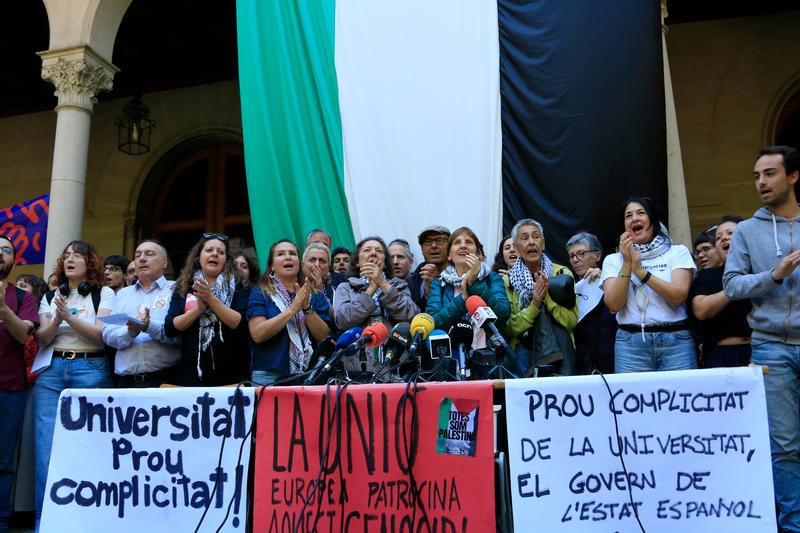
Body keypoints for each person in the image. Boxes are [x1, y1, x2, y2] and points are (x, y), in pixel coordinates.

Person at [723, 146, 800, 532]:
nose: (762, 183)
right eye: (757, 176)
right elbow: (733, 285)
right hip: (771, 345)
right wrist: (774, 273)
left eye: (770, 174)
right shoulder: (749, 231)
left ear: (793, 177)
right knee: (785, 447)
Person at [33, 240, 113, 528]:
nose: (70, 259)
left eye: (77, 255)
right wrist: (57, 318)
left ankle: (85, 522)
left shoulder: (104, 293)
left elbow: (99, 335)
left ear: (89, 262)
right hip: (53, 370)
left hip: (90, 369)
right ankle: (45, 523)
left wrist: (68, 317)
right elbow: (42, 338)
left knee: (89, 447)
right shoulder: (53, 295)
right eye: (66, 255)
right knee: (45, 448)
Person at [601, 196, 696, 373]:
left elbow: (679, 296)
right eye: (628, 216)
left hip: (676, 342)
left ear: (652, 220)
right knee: (632, 399)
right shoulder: (613, 260)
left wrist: (641, 272)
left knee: (681, 398)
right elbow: (614, 304)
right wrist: (628, 263)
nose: (634, 218)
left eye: (641, 213)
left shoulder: (677, 252)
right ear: (624, 226)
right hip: (631, 346)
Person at [164, 234, 250, 386]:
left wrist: (211, 299)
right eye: (209, 250)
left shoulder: (239, 286)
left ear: (226, 260)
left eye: (220, 252)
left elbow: (240, 323)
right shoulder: (184, 286)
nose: (214, 254)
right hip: (192, 376)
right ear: (199, 257)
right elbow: (170, 328)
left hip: (232, 375)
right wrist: (198, 310)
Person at [247, 240, 330, 385]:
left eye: (292, 254)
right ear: (272, 265)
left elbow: (323, 336)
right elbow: (258, 334)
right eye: (281, 254)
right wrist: (292, 310)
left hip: (309, 375)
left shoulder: (315, 294)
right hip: (269, 377)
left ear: (299, 264)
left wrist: (306, 308)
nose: (288, 257)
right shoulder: (260, 293)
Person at [333, 236, 418, 376]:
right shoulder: (346, 287)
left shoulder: (399, 285)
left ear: (385, 264)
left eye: (378, 251)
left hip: (394, 356)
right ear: (357, 263)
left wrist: (383, 284)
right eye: (367, 250)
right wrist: (371, 289)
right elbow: (342, 320)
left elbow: (411, 315)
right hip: (358, 359)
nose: (373, 253)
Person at [504, 219, 578, 376]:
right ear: (516, 248)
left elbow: (571, 321)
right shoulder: (507, 281)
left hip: (560, 351)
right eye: (524, 238)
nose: (531, 242)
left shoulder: (561, 274)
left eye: (536, 236)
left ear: (543, 244)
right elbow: (509, 327)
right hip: (523, 354)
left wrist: (547, 299)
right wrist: (535, 305)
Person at [102, 240, 180, 387]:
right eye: (138, 255)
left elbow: (182, 334)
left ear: (164, 263)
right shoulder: (122, 294)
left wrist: (149, 326)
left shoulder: (176, 289)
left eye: (149, 254)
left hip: (167, 380)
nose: (142, 258)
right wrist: (130, 331)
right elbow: (107, 333)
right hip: (128, 382)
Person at [0, 236, 39, 531]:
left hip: (8, 390)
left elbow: (24, 336)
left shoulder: (24, 299)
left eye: (6, 250)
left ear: (14, 260)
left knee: (3, 464)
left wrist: (3, 309)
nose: (0, 254)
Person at [426, 227, 509, 340]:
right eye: (457, 242)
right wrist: (463, 298)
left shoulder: (493, 278)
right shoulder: (438, 284)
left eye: (469, 242)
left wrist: (474, 283)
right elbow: (433, 323)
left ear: (479, 254)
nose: (463, 246)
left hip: (487, 353)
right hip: (451, 355)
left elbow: (503, 315)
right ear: (449, 255)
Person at [690, 216, 751, 368]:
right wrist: (736, 286)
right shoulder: (708, 276)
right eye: (718, 237)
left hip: (763, 350)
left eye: (730, 233)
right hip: (723, 354)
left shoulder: (762, 271)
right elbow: (701, 310)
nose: (724, 238)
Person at [565, 231, 616, 375]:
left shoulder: (611, 281)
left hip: (610, 360)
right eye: (571, 256)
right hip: (582, 363)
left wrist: (605, 277)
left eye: (581, 253)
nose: (575, 259)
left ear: (597, 256)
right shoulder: (569, 287)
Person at [407, 226, 450, 311]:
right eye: (428, 242)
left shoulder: (461, 275)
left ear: (450, 246)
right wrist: (426, 296)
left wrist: (437, 284)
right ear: (422, 250)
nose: (434, 245)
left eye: (439, 241)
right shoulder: (411, 282)